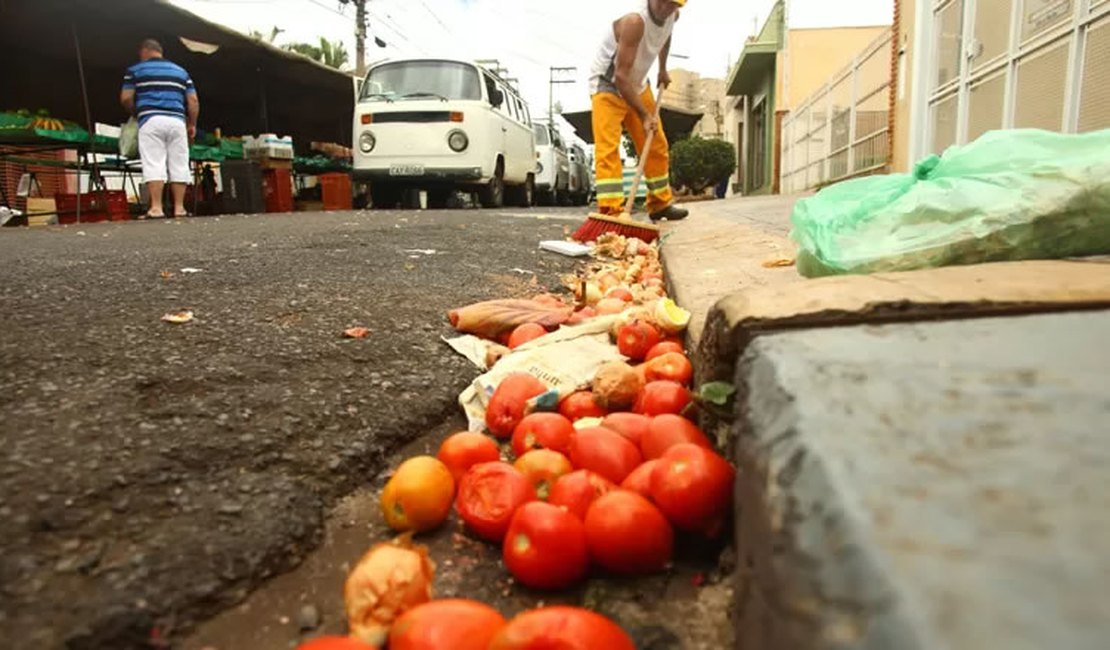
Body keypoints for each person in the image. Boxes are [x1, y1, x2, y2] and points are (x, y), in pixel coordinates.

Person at [589, 0, 689, 222]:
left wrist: (662, 69)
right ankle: (611, 212)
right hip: (609, 85)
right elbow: (621, 77)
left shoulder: (673, 15)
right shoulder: (634, 22)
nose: (666, 7)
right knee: (608, 150)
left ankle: (660, 204)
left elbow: (665, 35)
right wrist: (644, 115)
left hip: (637, 84)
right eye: (662, 1)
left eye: (672, 4)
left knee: (656, 143)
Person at [120, 39, 199, 219]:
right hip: (177, 121)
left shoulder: (135, 70)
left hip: (151, 119)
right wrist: (192, 123)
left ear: (145, 51)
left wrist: (135, 112)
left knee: (154, 162)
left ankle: (156, 208)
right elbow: (193, 101)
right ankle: (179, 208)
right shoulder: (181, 72)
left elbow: (125, 98)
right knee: (179, 163)